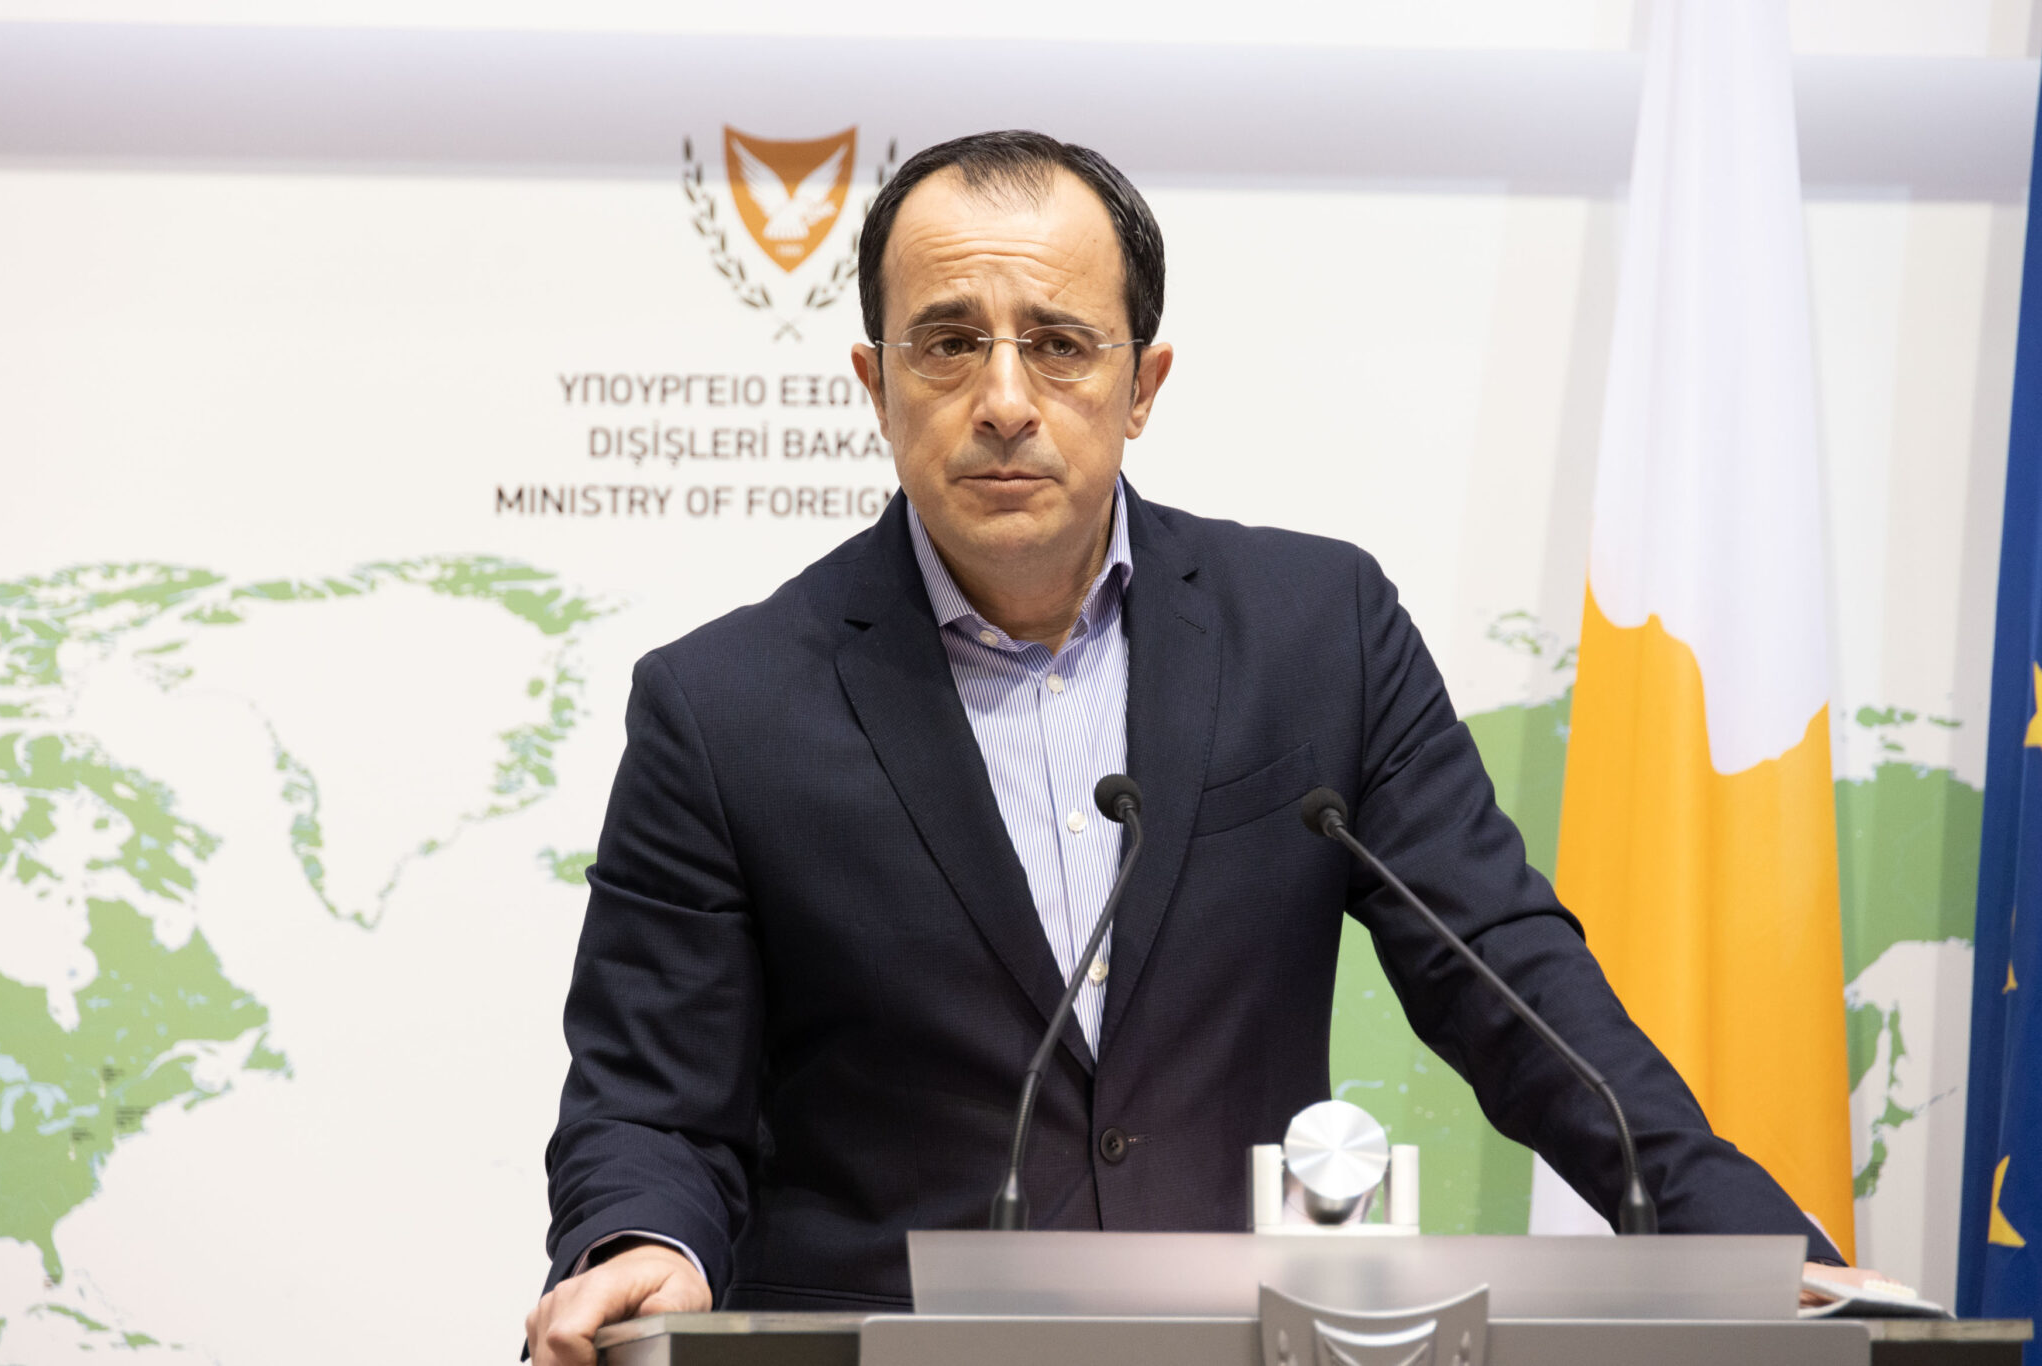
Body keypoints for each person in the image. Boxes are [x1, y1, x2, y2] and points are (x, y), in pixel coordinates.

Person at [525, 131, 1869, 1366]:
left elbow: (1509, 977)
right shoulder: (724, 707)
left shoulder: (1319, 632)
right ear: (878, 385)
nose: (1005, 398)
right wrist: (642, 1239)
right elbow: (653, 1102)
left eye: (1060, 343)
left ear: (1142, 384)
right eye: (949, 343)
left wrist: (1734, 1236)